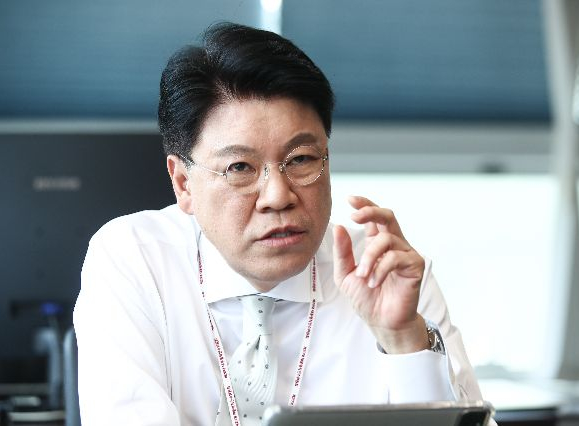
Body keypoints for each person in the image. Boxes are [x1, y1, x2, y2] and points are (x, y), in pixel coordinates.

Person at [74, 22, 491, 425]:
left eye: (301, 159)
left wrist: (404, 340)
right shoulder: (136, 260)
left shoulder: (385, 274)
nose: (278, 196)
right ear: (183, 183)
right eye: (240, 167)